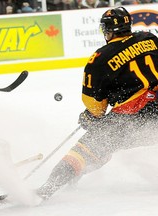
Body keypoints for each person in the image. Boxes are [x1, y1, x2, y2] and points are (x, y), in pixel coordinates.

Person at [37, 7, 158, 199]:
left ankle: (50, 186)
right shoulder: (149, 38)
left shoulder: (100, 59)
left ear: (108, 30)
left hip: (133, 118)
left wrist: (90, 117)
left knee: (86, 150)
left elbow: (95, 107)